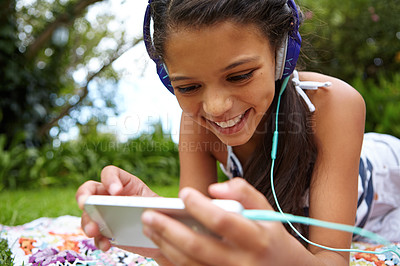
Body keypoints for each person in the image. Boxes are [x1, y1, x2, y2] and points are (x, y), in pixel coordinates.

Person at [76, 0, 400, 265]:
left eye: (240, 75)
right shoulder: (196, 124)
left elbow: (331, 258)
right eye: (188, 86)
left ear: (281, 54)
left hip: (388, 182)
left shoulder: (333, 104)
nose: (216, 107)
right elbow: (203, 246)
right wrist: (154, 225)